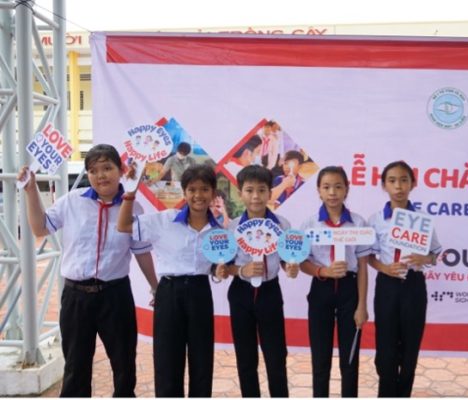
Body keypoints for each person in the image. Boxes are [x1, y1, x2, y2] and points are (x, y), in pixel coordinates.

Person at [17, 144, 158, 397]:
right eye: (93, 170)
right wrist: (30, 191)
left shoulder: (132, 208)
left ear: (121, 170)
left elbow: (141, 252)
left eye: (107, 168)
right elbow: (40, 228)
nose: (100, 175)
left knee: (124, 365)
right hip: (76, 298)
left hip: (115, 295)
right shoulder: (73, 201)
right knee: (76, 367)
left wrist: (155, 286)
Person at [117, 164, 223, 397]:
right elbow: (123, 225)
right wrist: (130, 193)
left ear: (213, 193)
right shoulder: (165, 220)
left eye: (204, 189)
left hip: (200, 292)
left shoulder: (219, 230)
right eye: (192, 189)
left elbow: (219, 265)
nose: (198, 195)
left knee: (202, 359)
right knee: (167, 360)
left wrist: (220, 270)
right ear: (184, 192)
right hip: (169, 292)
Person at [216, 165, 299, 397]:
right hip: (240, 294)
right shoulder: (232, 227)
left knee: (276, 356)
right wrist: (241, 270)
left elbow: (286, 260)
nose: (255, 196)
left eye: (262, 190)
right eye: (249, 190)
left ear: (270, 193)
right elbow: (225, 267)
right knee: (246, 357)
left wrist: (291, 268)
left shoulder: (282, 225)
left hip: (270, 293)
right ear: (240, 193)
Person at [368, 160, 442, 397]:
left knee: (410, 349)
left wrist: (425, 259)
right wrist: (384, 268)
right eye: (392, 181)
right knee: (385, 349)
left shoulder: (422, 219)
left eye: (404, 180)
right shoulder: (376, 219)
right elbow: (368, 256)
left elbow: (435, 255)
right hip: (387, 285)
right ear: (384, 185)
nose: (398, 186)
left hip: (413, 286)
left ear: (413, 184)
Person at [299, 166, 370, 397]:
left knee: (350, 360)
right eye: (326, 187)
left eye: (338, 187)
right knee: (320, 359)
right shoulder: (310, 225)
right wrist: (323, 271)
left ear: (347, 189)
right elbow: (302, 263)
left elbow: (362, 267)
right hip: (321, 289)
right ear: (318, 190)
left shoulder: (358, 223)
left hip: (350, 291)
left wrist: (362, 305)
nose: (332, 192)